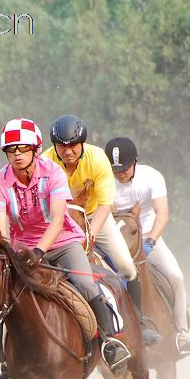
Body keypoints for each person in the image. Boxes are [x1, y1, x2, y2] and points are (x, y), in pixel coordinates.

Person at [0, 117, 131, 379]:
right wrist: (9, 250)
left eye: (23, 148)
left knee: (87, 285)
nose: (17, 155)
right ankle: (5, 365)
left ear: (35, 149)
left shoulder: (53, 172)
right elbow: (0, 225)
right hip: (22, 248)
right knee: (0, 298)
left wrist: (40, 251)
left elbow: (57, 218)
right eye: (11, 150)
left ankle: (110, 344)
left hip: (62, 242)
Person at [43, 115, 161, 347]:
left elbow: (106, 204)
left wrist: (91, 234)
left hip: (96, 215)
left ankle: (139, 323)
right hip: (60, 218)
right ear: (54, 146)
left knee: (127, 267)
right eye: (62, 145)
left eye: (73, 145)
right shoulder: (45, 161)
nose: (68, 151)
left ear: (82, 144)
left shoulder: (97, 159)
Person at [104, 137, 190, 358]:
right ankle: (108, 339)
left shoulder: (151, 176)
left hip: (148, 237)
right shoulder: (106, 181)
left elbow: (162, 214)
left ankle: (181, 332)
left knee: (176, 276)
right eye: (116, 170)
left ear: (134, 162)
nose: (121, 174)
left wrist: (149, 243)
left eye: (125, 168)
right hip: (116, 241)